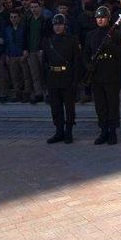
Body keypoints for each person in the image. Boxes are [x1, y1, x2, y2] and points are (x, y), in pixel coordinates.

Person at [83, 6, 121, 145]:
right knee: (100, 106)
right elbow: (85, 55)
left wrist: (111, 46)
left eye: (103, 17)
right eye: (98, 17)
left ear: (108, 18)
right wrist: (87, 65)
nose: (100, 20)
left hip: (111, 73)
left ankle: (113, 132)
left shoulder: (116, 34)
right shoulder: (91, 35)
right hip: (96, 74)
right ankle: (103, 131)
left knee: (112, 104)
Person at [41, 14, 81, 144]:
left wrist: (76, 80)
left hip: (67, 77)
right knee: (56, 107)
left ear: (65, 26)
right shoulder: (48, 41)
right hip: (53, 77)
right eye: (55, 25)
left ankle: (68, 131)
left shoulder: (72, 40)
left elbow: (76, 62)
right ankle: (59, 131)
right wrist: (45, 80)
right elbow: (44, 62)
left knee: (69, 107)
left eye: (60, 24)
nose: (57, 27)